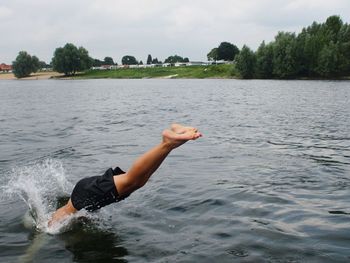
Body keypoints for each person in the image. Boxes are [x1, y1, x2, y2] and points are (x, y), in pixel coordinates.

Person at [48, 124, 202, 226]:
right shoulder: (72, 209)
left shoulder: (52, 223)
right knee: (138, 182)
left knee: (131, 180)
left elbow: (49, 230)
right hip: (85, 191)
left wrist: (29, 255)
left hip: (87, 193)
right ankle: (172, 140)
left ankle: (167, 142)